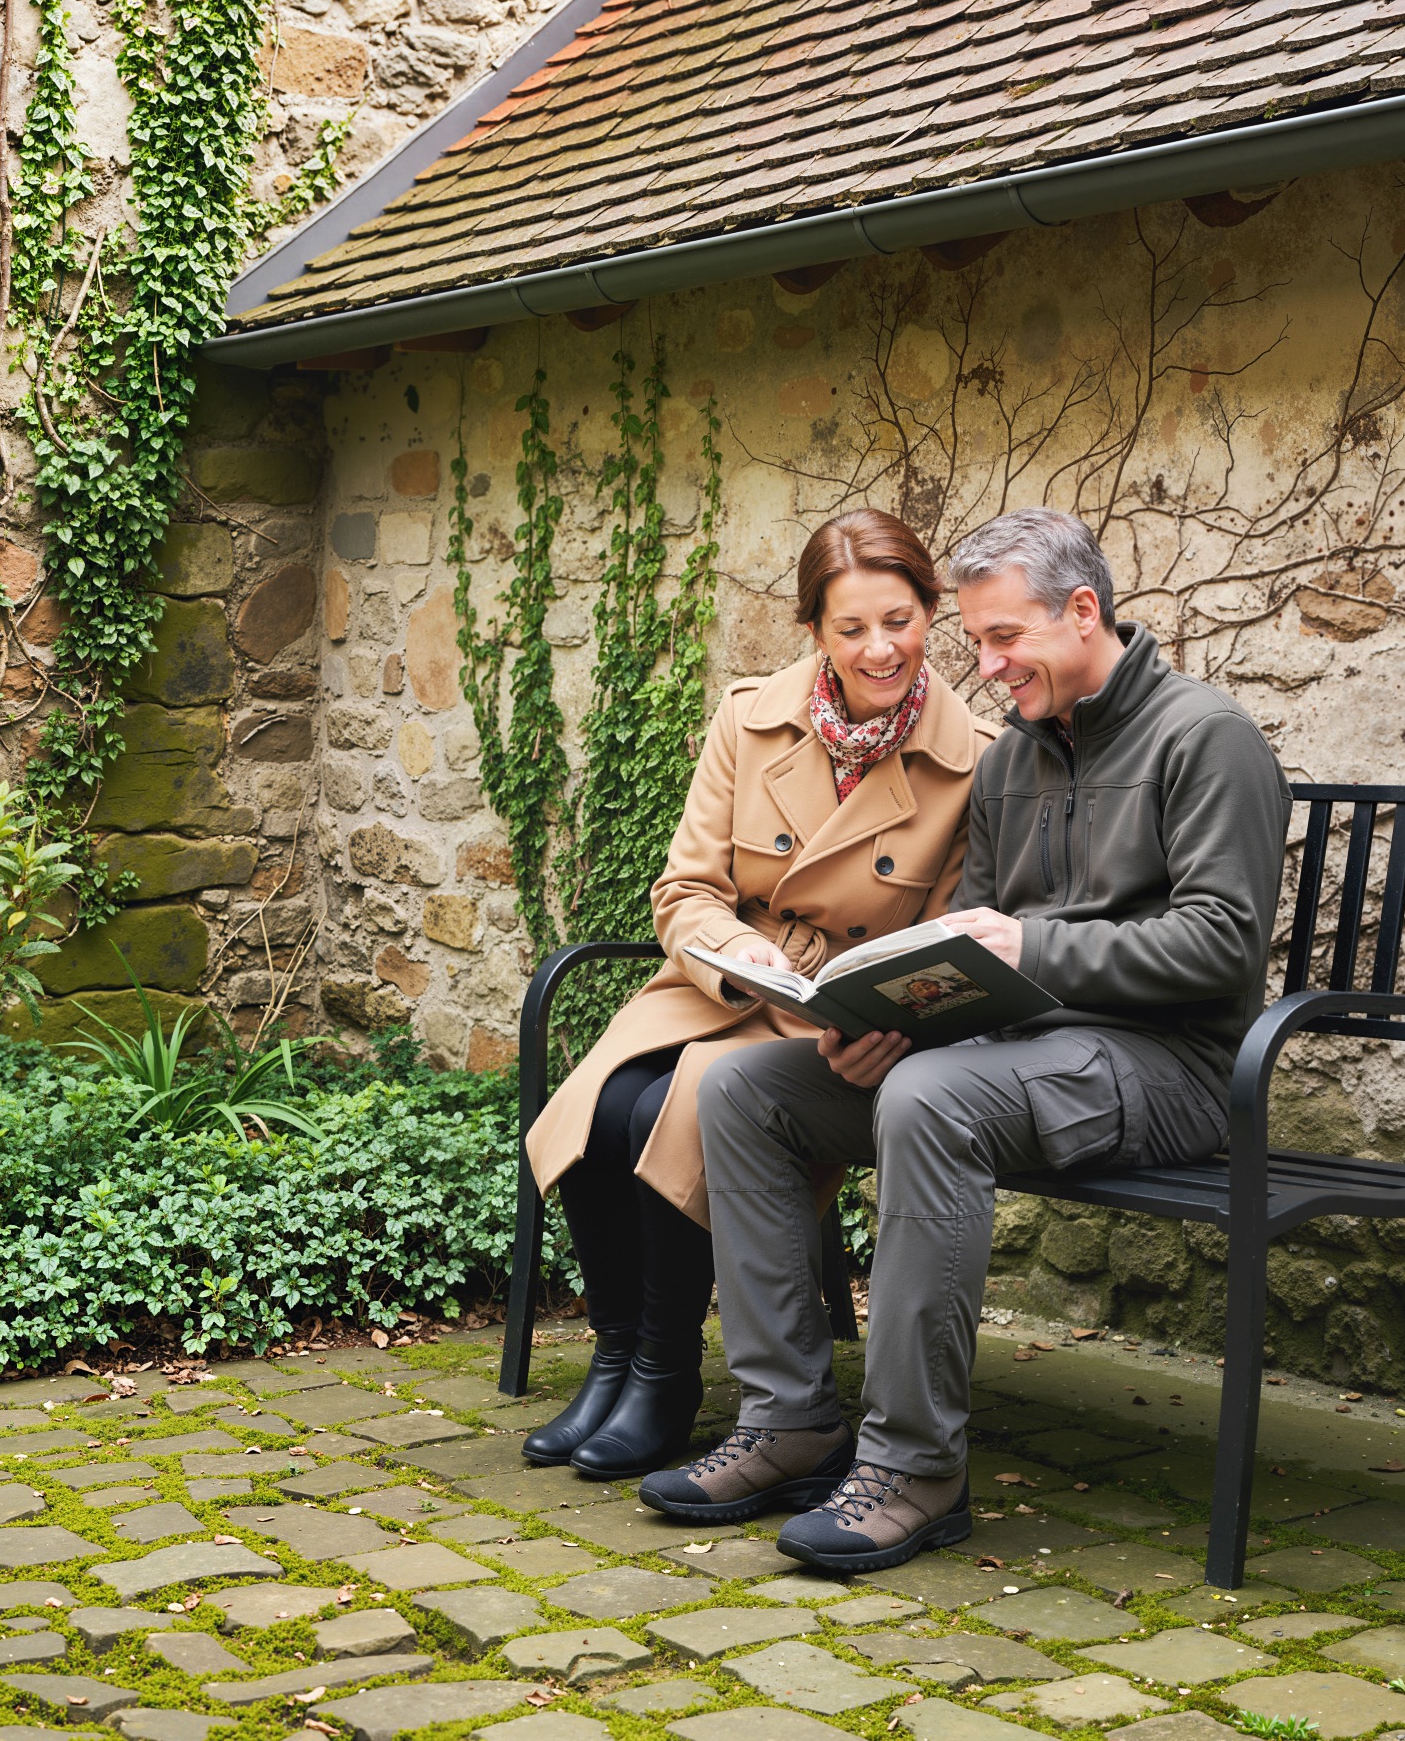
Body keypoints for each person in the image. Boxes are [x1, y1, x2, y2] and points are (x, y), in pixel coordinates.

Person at [640, 506, 1290, 1570]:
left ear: (1083, 611)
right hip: (1019, 1057)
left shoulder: (1202, 737)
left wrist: (1031, 951)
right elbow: (970, 952)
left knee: (930, 1101)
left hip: (1169, 1069)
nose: (983, 669)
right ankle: (788, 1416)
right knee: (746, 1089)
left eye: (1003, 640)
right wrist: (891, 1024)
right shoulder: (1011, 764)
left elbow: (1219, 947)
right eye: (977, 642)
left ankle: (914, 1464)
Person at [520, 509, 998, 1480]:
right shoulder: (748, 717)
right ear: (814, 628)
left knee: (671, 1105)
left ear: (930, 613)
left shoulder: (971, 759)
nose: (879, 649)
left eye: (898, 621)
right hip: (726, 979)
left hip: (840, 1025)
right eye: (852, 627)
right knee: (598, 1105)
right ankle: (616, 1355)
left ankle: (663, 1373)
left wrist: (889, 1026)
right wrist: (739, 956)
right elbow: (684, 887)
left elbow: (954, 943)